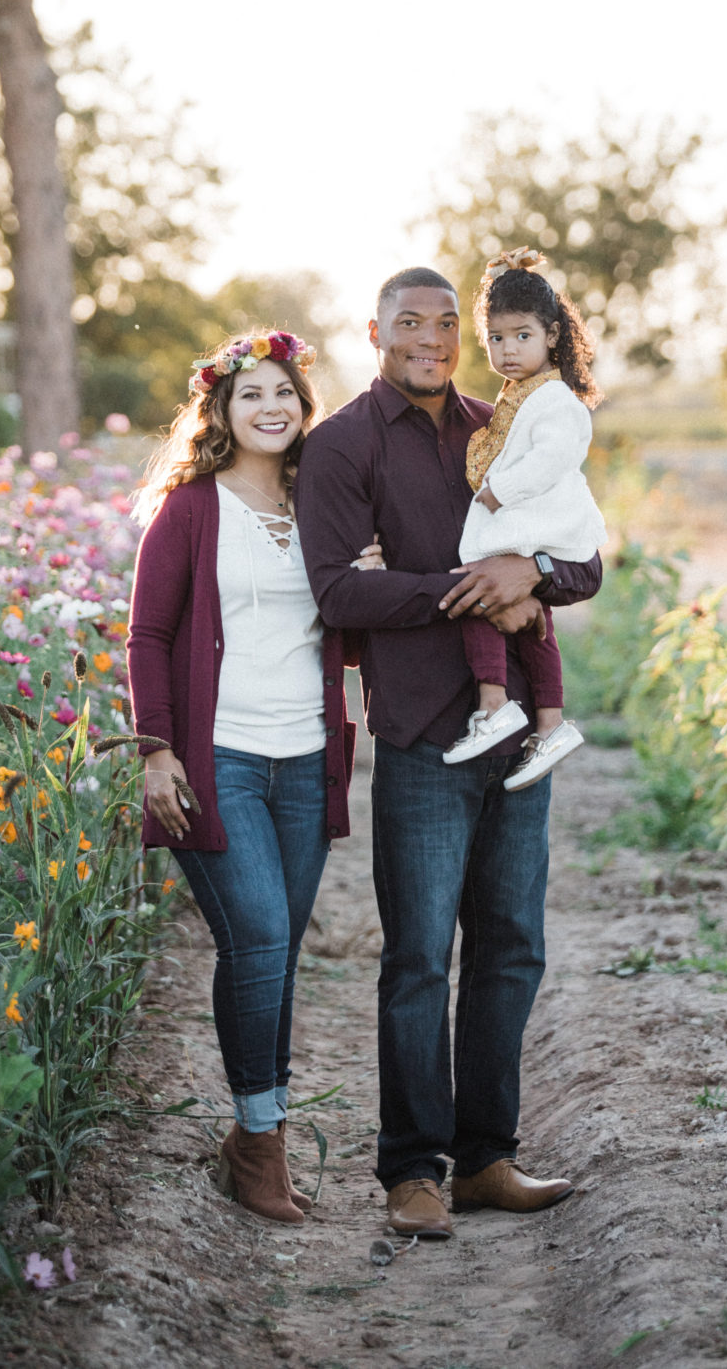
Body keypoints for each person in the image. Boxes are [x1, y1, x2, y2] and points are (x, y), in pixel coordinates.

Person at [294, 268, 603, 1240]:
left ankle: (486, 1160)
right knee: (422, 957)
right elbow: (339, 593)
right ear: (374, 328)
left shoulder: (506, 423)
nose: (431, 337)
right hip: (425, 729)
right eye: (409, 322)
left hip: (514, 727)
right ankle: (412, 1172)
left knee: (512, 946)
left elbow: (586, 561)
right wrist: (464, 587)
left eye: (444, 323)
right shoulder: (343, 444)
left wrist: (533, 570)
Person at [126, 328, 370, 1226]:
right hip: (215, 757)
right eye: (250, 395)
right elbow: (147, 634)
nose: (271, 408)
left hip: (305, 759)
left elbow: (345, 615)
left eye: (284, 393)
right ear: (221, 412)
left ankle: (250, 1137)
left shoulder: (329, 508)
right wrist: (156, 748)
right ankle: (259, 1141)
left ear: (306, 408)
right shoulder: (192, 508)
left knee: (274, 951)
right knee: (260, 935)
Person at [443, 247, 607, 790]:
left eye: (522, 336)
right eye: (496, 338)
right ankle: (548, 722)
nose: (508, 350)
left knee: (478, 590)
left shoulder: (557, 398)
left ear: (552, 335)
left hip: (540, 523)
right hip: (529, 524)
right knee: (530, 619)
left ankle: (496, 706)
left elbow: (555, 457)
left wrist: (498, 492)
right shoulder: (519, 394)